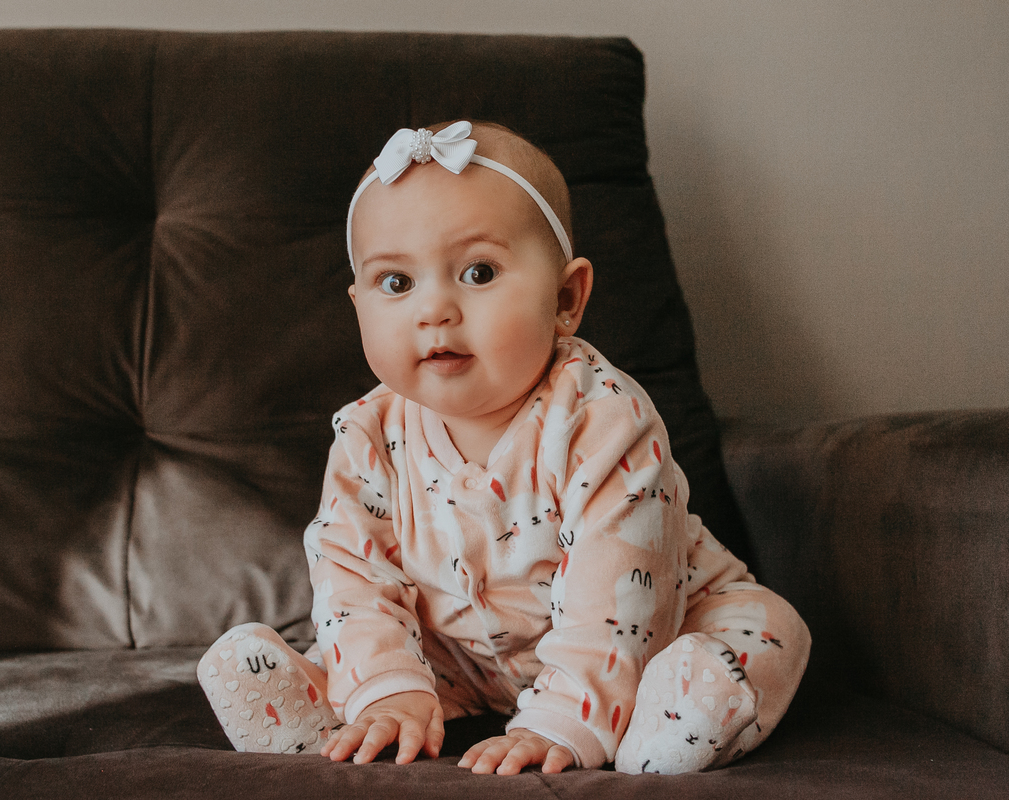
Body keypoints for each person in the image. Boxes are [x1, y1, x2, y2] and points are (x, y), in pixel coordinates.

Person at [198, 120, 810, 775]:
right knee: (368, 661)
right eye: (397, 284)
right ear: (358, 306)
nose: (433, 309)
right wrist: (392, 690)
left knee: (766, 632)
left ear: (566, 299)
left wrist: (564, 718)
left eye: (478, 271)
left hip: (653, 626)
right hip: (462, 660)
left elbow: (622, 587)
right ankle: (317, 716)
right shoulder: (366, 435)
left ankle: (679, 709)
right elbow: (355, 577)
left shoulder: (602, 419)